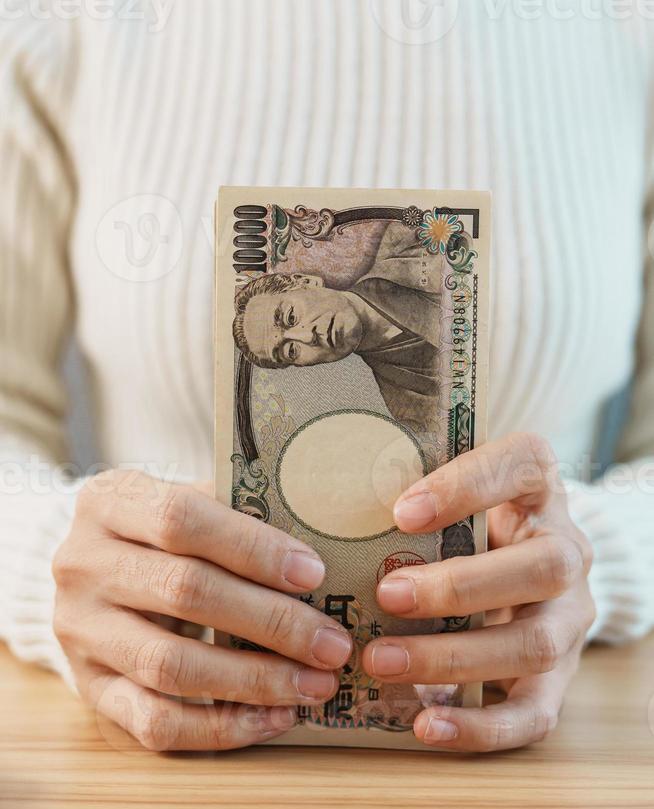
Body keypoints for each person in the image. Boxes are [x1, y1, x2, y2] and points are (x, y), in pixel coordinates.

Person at [1, 2, 653, 753]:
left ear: (306, 283)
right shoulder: (58, 20)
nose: (302, 340)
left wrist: (593, 566)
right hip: (175, 768)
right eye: (285, 354)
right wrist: (50, 564)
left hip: (534, 764)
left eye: (287, 322)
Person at [233, 223, 444, 431]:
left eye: (290, 317)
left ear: (306, 281)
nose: (308, 336)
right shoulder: (411, 407)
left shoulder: (408, 241)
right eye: (290, 350)